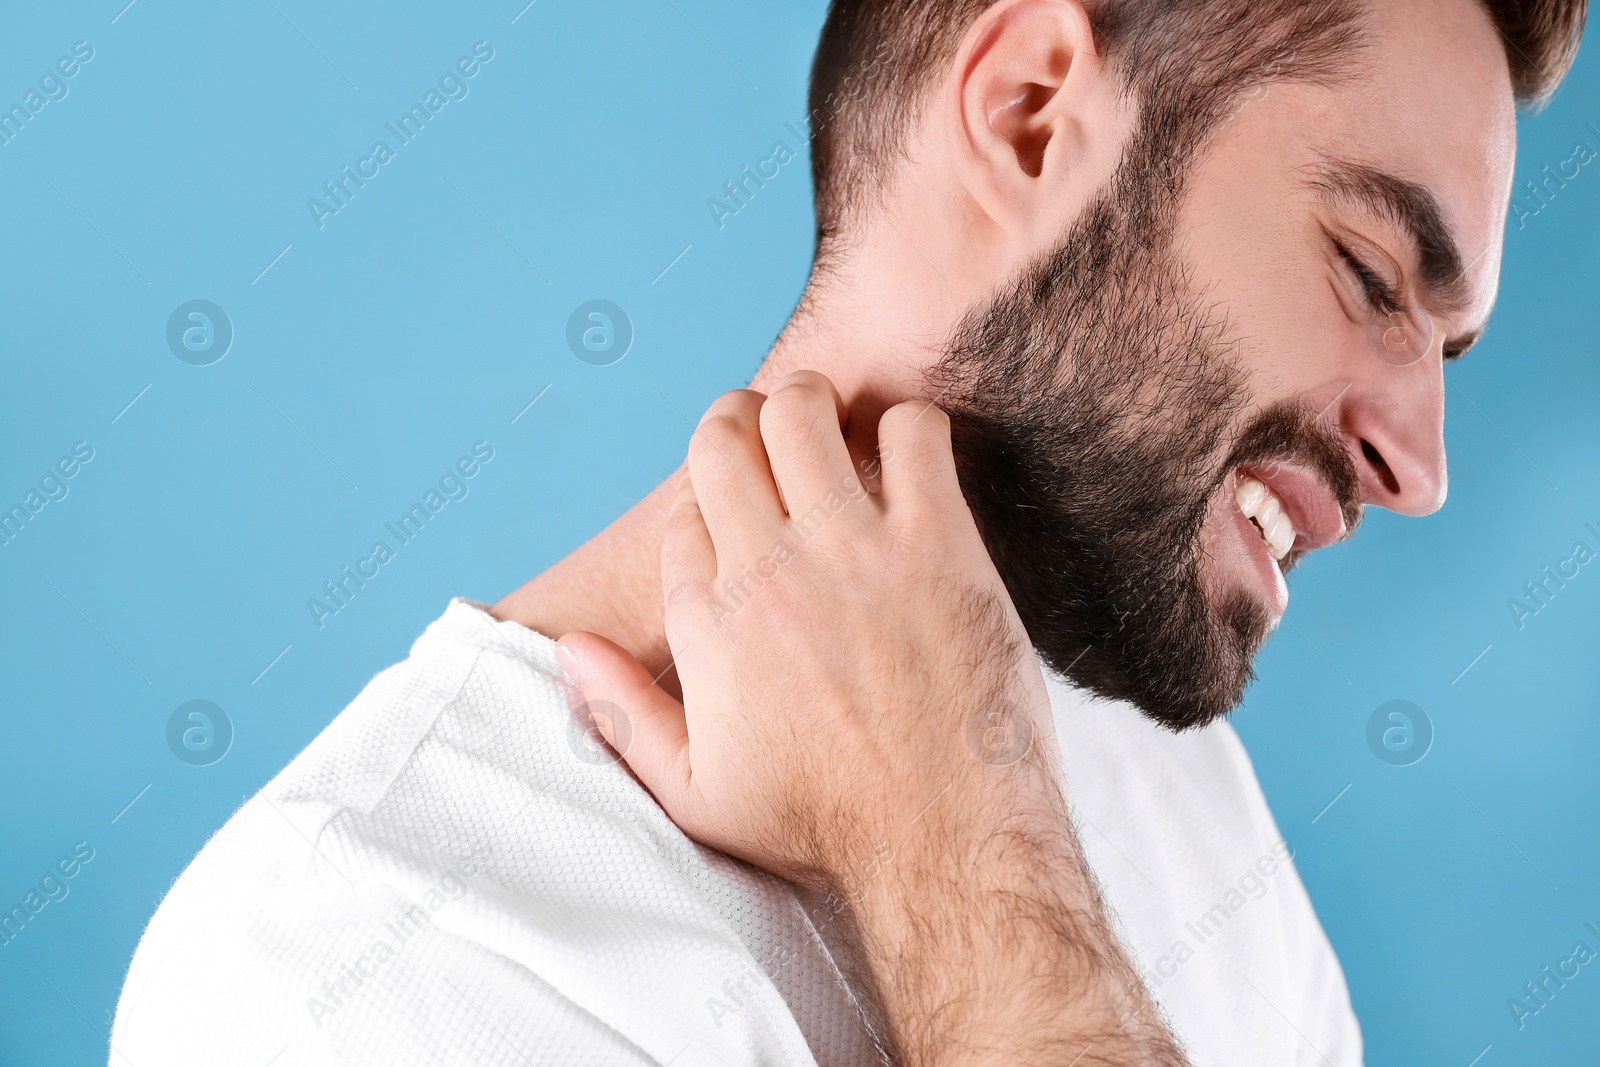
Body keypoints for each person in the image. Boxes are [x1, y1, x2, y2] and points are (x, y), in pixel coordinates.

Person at [110, 0, 1586, 1064]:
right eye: (1377, 276)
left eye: (1447, 355)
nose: (1424, 467)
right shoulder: (352, 955)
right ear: (1029, 115)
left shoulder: (1184, 794)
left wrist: (947, 819)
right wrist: (948, 843)